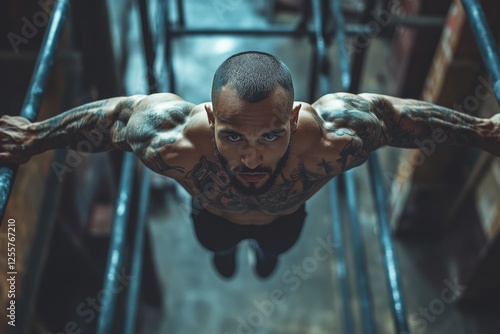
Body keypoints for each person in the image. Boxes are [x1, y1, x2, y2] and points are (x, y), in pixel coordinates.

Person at [1, 51, 499, 279]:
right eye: (234, 135)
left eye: (271, 135)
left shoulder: (331, 137)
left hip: (285, 223)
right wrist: (34, 138)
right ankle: (227, 257)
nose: (252, 156)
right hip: (211, 221)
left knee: (271, 257)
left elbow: (398, 118)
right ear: (211, 117)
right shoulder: (173, 139)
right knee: (219, 252)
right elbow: (112, 119)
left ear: (296, 116)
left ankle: (264, 259)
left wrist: (481, 132)